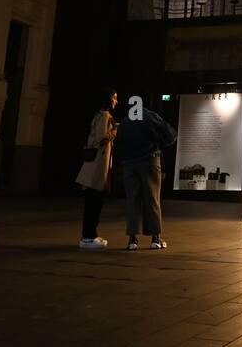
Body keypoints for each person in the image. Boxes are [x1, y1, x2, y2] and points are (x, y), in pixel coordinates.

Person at [114, 94, 177, 250]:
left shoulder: (125, 121)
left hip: (129, 164)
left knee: (132, 201)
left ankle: (132, 240)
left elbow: (119, 142)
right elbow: (170, 135)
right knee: (152, 199)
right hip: (149, 161)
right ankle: (155, 238)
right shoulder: (149, 116)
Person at [74, 88, 118, 249]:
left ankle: (91, 235)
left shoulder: (99, 115)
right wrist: (114, 131)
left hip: (94, 166)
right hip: (96, 166)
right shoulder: (105, 116)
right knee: (94, 203)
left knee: (93, 202)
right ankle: (88, 237)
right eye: (114, 98)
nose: (116, 101)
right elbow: (101, 138)